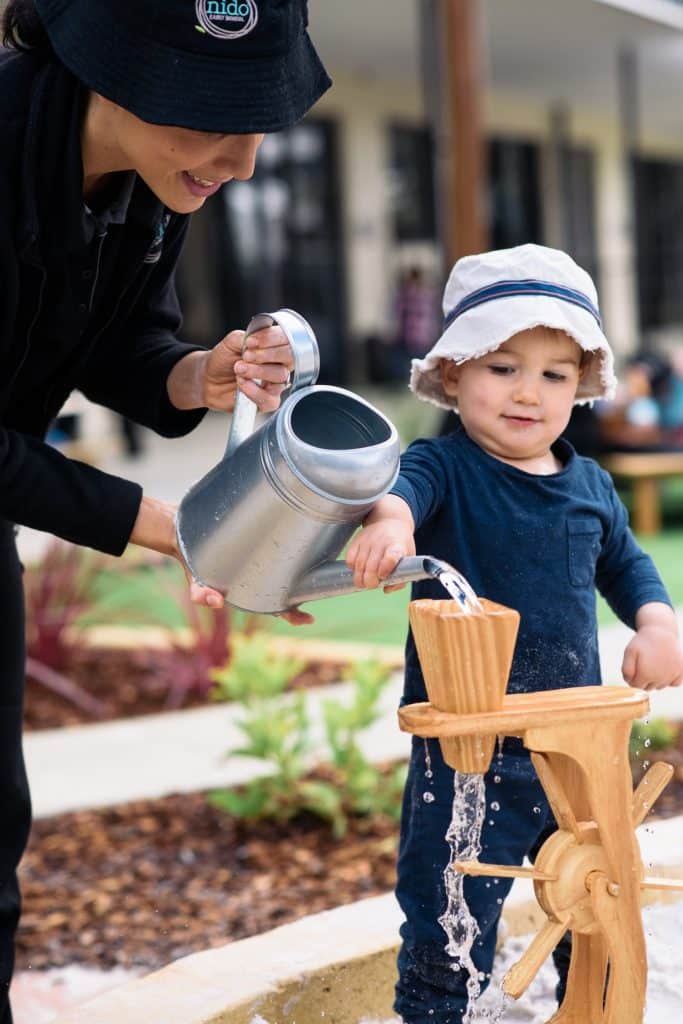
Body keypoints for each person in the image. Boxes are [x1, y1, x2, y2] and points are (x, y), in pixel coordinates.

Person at [0, 0, 330, 1017]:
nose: (235, 160)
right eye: (206, 118)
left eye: (252, 122)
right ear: (109, 63)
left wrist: (200, 375)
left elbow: (121, 346)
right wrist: (163, 525)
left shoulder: (159, 171)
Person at [346, 244, 683, 1024]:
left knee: (594, 897)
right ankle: (434, 1011)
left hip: (575, 748)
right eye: (502, 367)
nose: (527, 392)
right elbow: (400, 494)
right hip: (469, 748)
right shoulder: (445, 467)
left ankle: (596, 1007)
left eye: (553, 375)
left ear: (581, 388)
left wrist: (658, 622)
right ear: (454, 374)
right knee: (448, 906)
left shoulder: (590, 486)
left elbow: (628, 568)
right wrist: (389, 524)